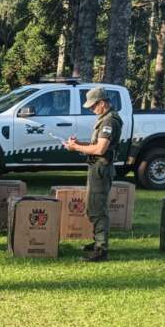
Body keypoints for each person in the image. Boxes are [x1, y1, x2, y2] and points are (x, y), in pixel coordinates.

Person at [64, 87, 123, 262]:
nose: (91, 110)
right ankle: (97, 241)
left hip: (101, 168)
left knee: (98, 209)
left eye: (93, 106)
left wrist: (76, 147)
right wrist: (79, 144)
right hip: (97, 167)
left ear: (102, 103)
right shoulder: (105, 119)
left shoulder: (109, 121)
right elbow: (96, 146)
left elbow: (100, 148)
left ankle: (101, 249)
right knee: (93, 207)